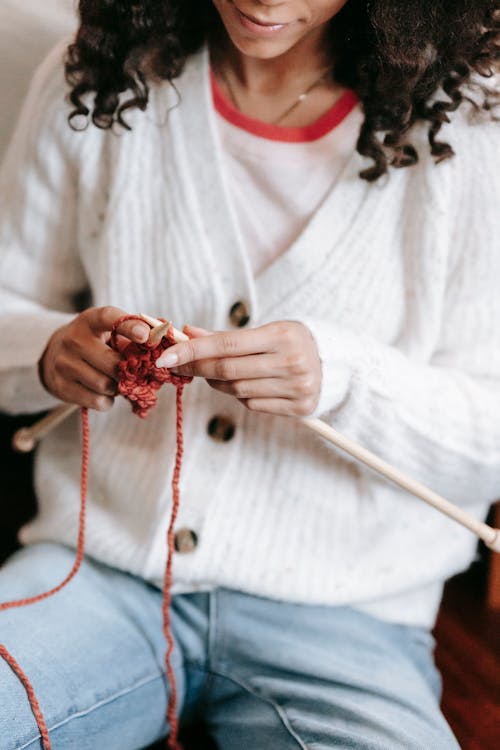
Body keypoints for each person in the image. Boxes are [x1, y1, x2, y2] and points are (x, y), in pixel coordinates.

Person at [0, 1, 498, 748]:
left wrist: (344, 382)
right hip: (99, 574)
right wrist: (46, 349)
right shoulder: (101, 73)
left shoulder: (474, 125)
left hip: (346, 618)